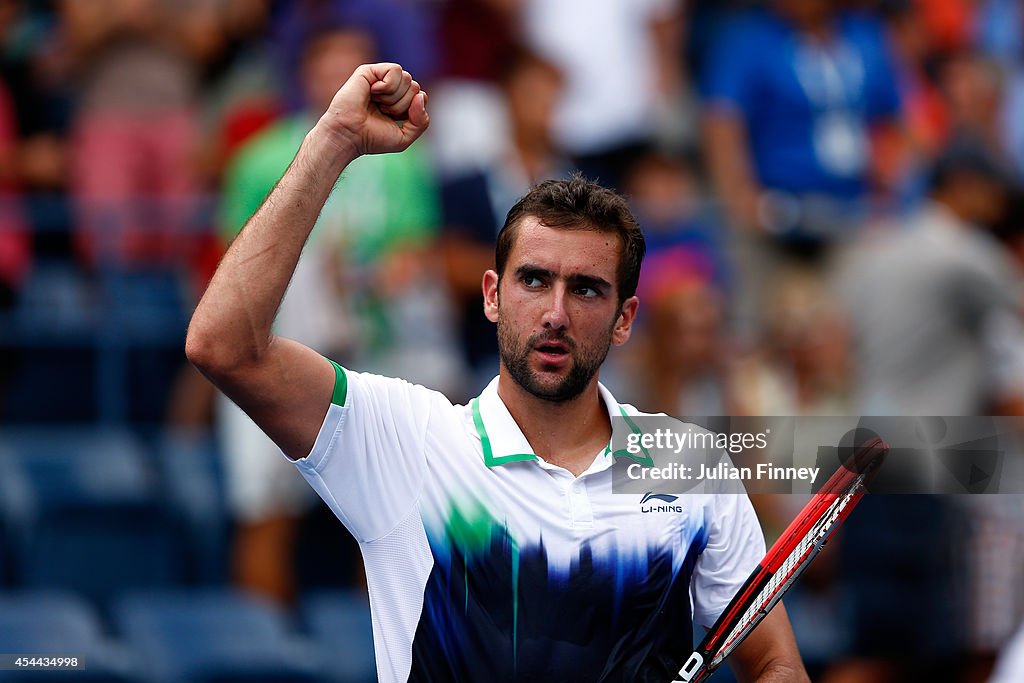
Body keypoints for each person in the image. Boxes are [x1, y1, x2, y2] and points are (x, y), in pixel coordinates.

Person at [186, 62, 808, 681]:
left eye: (587, 290)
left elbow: (775, 662)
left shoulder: (688, 464)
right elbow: (224, 345)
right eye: (534, 280)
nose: (556, 313)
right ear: (491, 295)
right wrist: (334, 141)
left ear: (625, 319)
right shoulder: (411, 439)